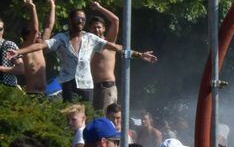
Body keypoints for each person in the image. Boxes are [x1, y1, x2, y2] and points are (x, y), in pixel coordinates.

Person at [5, 8, 155, 103]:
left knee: (87, 117)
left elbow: (114, 47)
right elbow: (41, 45)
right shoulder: (61, 38)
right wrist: (19, 51)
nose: (81, 21)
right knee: (71, 115)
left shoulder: (90, 38)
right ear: (71, 20)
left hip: (86, 85)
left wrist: (139, 54)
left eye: (83, 19)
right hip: (68, 83)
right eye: (78, 19)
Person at [0, 17, 19, 89]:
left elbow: (21, 68)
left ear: (3, 30)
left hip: (7, 87)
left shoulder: (8, 45)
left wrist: (1, 68)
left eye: (0, 29)